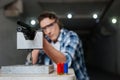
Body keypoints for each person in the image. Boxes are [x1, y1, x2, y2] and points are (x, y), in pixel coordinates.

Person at [32, 11, 89, 80]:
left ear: (57, 22)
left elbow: (65, 62)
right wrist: (35, 49)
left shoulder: (71, 36)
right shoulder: (46, 41)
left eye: (50, 25)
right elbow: (32, 65)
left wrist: (43, 43)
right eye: (44, 28)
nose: (48, 31)